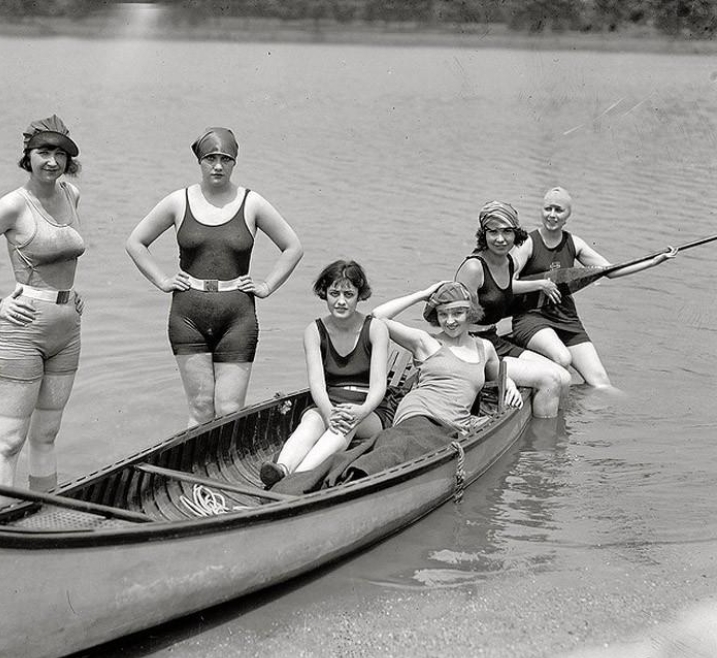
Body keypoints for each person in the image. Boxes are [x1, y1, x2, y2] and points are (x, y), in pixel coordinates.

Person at [0, 114, 85, 493]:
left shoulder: (71, 195)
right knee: (8, 441)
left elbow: (62, 254)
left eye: (60, 154)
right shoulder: (14, 205)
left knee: (47, 435)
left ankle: (43, 514)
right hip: (21, 332)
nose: (52, 162)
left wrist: (69, 294)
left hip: (66, 330)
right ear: (28, 156)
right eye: (43, 152)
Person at [271, 281, 522, 494]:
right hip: (419, 413)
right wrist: (423, 294)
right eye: (443, 314)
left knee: (391, 449)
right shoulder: (426, 342)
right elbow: (378, 318)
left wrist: (508, 383)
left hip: (453, 424)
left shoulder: (483, 348)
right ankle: (299, 485)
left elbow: (496, 370)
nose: (450, 321)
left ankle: (318, 479)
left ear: (470, 313)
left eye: (457, 313)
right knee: (394, 448)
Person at [125, 128, 303, 426]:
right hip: (187, 316)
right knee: (200, 408)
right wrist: (162, 280)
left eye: (225, 159)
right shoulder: (178, 202)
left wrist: (267, 285)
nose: (218, 166)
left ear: (234, 162)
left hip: (237, 316)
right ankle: (189, 471)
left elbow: (293, 247)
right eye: (210, 158)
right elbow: (135, 242)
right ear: (200, 161)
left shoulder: (252, 202)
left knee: (230, 408)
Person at [511, 186, 677, 388]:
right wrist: (540, 284)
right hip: (531, 317)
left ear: (567, 216)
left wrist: (654, 261)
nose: (552, 215)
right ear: (541, 210)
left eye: (558, 210)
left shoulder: (575, 243)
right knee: (563, 358)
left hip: (566, 318)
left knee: (601, 384)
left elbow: (611, 271)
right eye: (548, 209)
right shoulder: (527, 243)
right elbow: (507, 284)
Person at [259, 260, 391, 487]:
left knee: (347, 421)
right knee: (311, 419)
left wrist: (362, 411)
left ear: (360, 295)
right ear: (325, 294)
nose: (341, 301)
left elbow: (379, 386)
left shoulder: (376, 328)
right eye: (334, 293)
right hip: (330, 403)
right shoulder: (314, 331)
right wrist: (328, 412)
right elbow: (318, 385)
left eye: (349, 294)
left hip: (370, 410)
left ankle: (299, 478)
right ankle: (282, 468)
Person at [455, 200, 571, 418]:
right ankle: (542, 448)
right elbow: (454, 316)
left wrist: (540, 284)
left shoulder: (507, 261)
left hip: (493, 339)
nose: (500, 239)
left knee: (564, 377)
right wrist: (499, 374)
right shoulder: (474, 267)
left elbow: (503, 288)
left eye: (507, 232)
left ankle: (551, 433)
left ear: (516, 234)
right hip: (474, 348)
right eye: (493, 232)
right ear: (484, 234)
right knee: (551, 380)